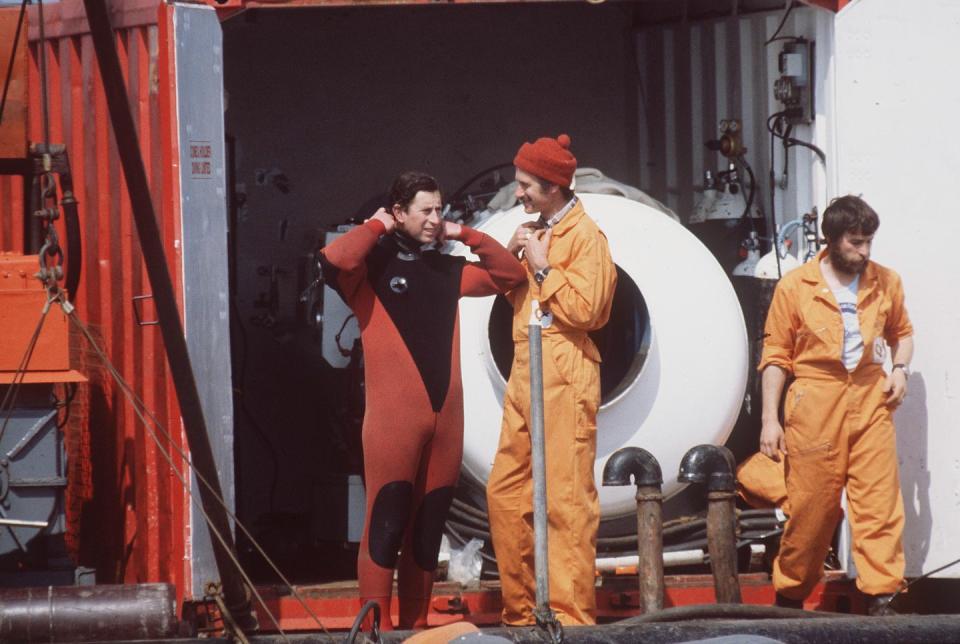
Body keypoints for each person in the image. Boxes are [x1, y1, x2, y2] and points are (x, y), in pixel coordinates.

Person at [320, 171, 525, 630]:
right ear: (399, 214)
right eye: (425, 211)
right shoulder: (370, 271)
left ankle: (414, 632)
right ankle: (377, 631)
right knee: (386, 524)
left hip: (446, 424)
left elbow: (509, 275)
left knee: (428, 530)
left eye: (440, 211)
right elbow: (332, 260)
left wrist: (465, 233)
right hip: (393, 425)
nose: (436, 219)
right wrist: (376, 227)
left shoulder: (445, 269)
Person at [756, 195, 913, 615]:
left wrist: (899, 369)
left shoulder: (886, 282)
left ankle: (882, 596)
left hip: (869, 399)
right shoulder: (795, 286)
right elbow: (775, 356)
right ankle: (789, 597)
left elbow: (903, 332)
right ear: (832, 239)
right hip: (814, 401)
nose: (864, 252)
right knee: (812, 508)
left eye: (868, 243)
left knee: (879, 503)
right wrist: (770, 420)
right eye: (855, 243)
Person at [486, 134, 617, 626]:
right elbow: (512, 299)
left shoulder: (586, 237)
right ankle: (521, 615)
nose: (517, 193)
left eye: (525, 185)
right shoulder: (537, 230)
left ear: (553, 187)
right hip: (528, 367)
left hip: (566, 370)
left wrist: (542, 268)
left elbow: (589, 311)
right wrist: (511, 254)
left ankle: (570, 620)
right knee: (507, 493)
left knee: (564, 500)